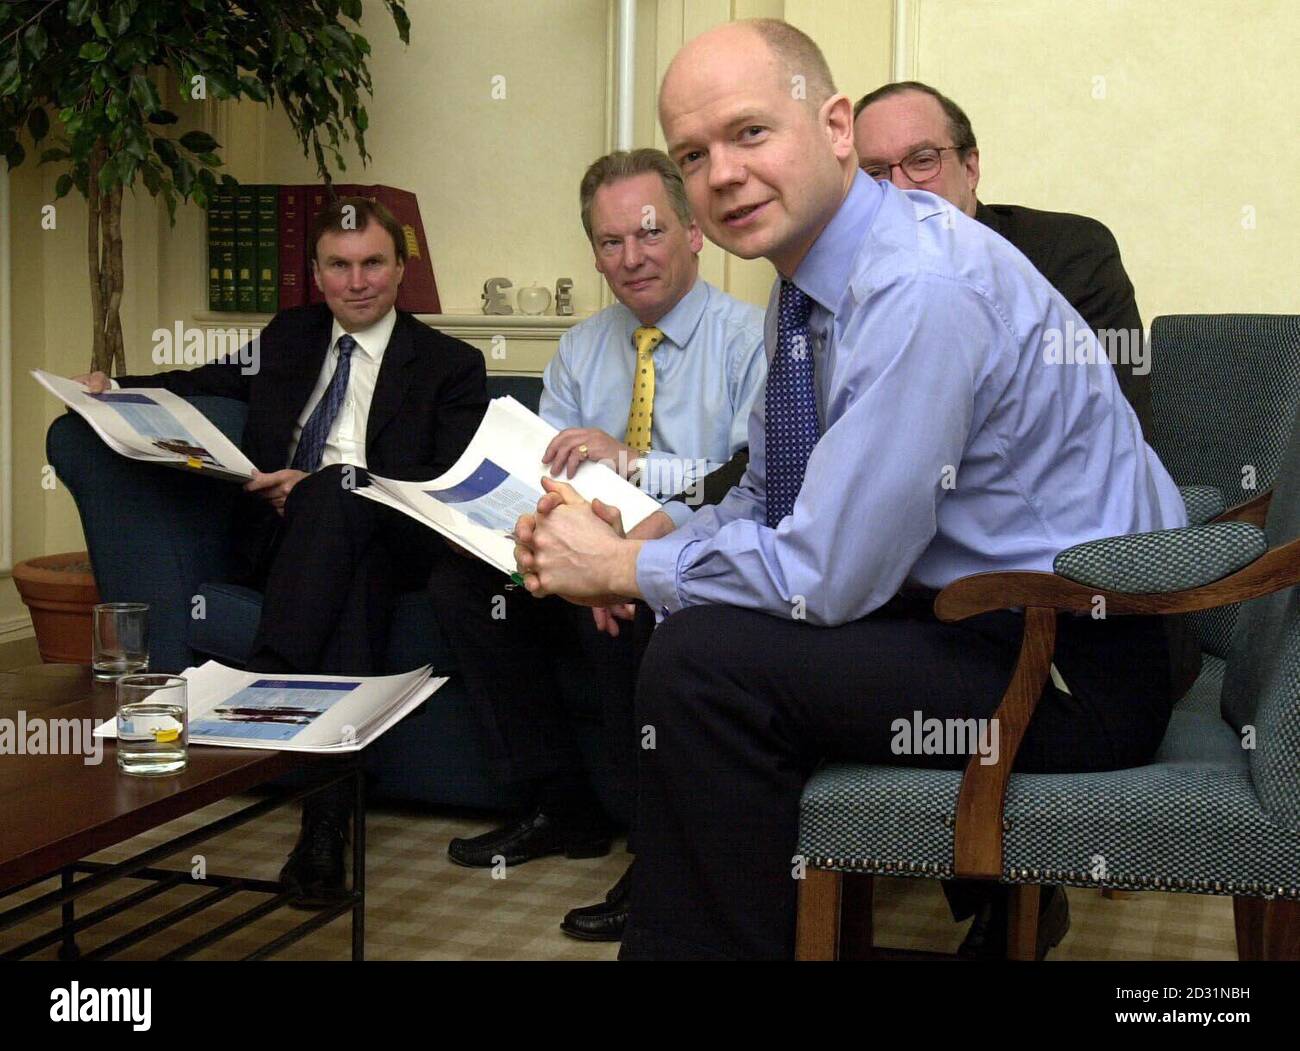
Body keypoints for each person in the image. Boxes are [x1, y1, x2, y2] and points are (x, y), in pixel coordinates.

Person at [512, 18, 1191, 961]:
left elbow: (826, 574)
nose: (723, 174)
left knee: (705, 666)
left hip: (1074, 661)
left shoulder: (914, 288)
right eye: (694, 153)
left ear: (835, 128)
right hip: (972, 618)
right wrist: (659, 526)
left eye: (751, 133)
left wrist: (630, 567)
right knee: (699, 636)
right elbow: (773, 500)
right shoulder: (805, 290)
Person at [75, 197, 487, 905]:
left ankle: (267, 676)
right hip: (291, 544)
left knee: (338, 490)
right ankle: (325, 825)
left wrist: (332, 486)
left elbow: (445, 485)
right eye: (339, 265)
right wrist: (117, 388)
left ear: (399, 269)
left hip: (399, 535)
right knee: (352, 585)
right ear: (318, 273)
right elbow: (200, 385)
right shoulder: (290, 336)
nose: (357, 281)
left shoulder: (450, 364)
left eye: (372, 264)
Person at [428, 148, 764, 942]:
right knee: (465, 588)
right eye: (610, 242)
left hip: (690, 554)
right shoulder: (581, 349)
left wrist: (633, 470)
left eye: (649, 233)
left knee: (630, 605)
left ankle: (660, 854)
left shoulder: (753, 339)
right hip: (585, 539)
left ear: (693, 233)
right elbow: (543, 470)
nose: (632, 257)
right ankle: (558, 805)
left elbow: (748, 478)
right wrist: (558, 538)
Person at [852, 81, 1151, 433]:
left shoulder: (1070, 252)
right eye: (874, 174)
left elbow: (1104, 419)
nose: (899, 189)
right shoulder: (850, 281)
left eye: (922, 161)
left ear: (970, 169)